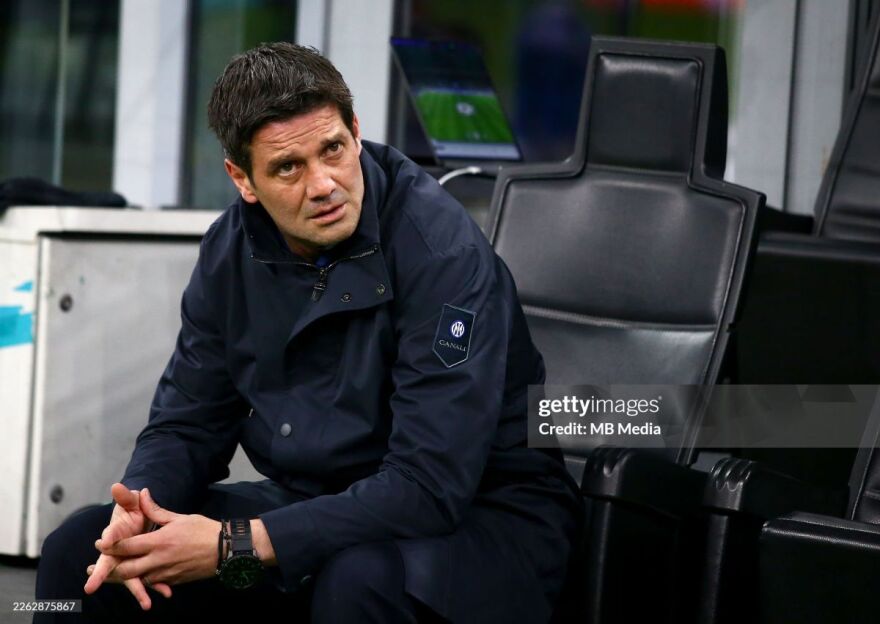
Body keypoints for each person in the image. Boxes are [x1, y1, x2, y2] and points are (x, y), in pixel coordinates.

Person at [34, 42, 581, 623]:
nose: (323, 185)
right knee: (83, 555)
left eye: (333, 150)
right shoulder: (229, 251)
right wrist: (141, 507)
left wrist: (233, 545)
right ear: (243, 178)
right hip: (314, 518)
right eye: (288, 168)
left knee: (357, 582)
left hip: (482, 524)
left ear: (356, 131)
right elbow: (188, 424)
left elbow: (428, 487)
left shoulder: (443, 254)